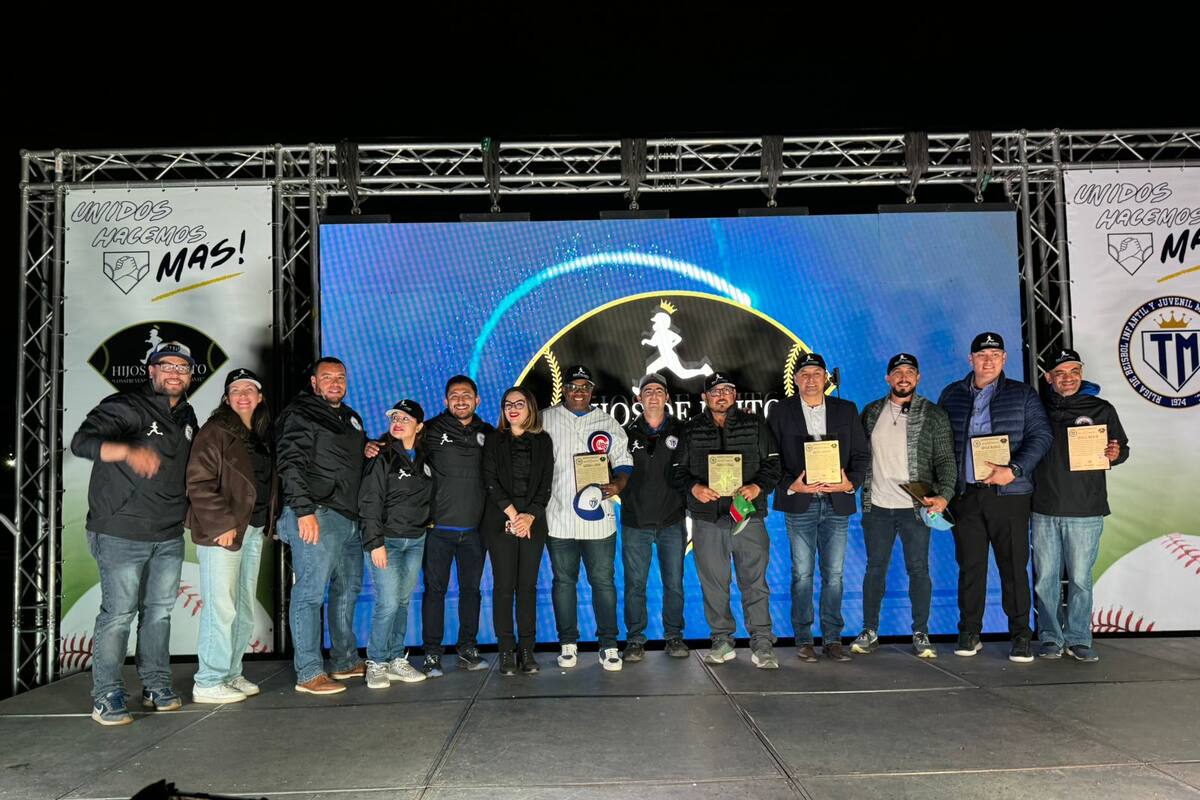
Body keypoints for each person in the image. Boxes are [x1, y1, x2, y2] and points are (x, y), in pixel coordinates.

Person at [71, 341, 199, 725]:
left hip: (168, 532)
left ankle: (155, 684)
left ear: (190, 376)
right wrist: (125, 451)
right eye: (167, 366)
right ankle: (106, 694)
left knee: (158, 614)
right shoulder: (125, 405)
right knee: (119, 614)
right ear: (151, 371)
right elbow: (81, 442)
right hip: (121, 530)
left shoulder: (189, 416)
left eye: (182, 367)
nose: (174, 373)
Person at [938, 332, 1053, 663]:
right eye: (981, 355)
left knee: (1014, 567)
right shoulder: (952, 394)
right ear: (970, 360)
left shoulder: (1023, 394)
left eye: (995, 355)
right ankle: (969, 631)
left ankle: (1020, 636)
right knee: (970, 568)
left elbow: (1042, 436)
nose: (988, 360)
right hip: (967, 495)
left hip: (1009, 495)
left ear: (1004, 360)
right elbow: (943, 446)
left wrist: (1014, 469)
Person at [276, 357, 380, 694]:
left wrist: (365, 448)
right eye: (327, 377)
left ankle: (345, 660)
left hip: (348, 517)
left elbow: (343, 457)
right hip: (317, 514)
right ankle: (308, 673)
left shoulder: (349, 417)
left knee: (346, 590)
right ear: (314, 383)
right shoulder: (300, 413)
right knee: (309, 593)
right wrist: (303, 511)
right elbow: (290, 462)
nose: (335, 383)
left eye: (341, 377)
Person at [850, 354, 956, 659]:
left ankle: (921, 632)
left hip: (916, 509)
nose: (903, 376)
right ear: (888, 378)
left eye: (910, 371)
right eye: (897, 372)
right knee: (875, 570)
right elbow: (857, 457)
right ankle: (869, 631)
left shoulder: (934, 415)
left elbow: (946, 461)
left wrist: (945, 495)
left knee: (919, 570)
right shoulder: (870, 412)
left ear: (918, 378)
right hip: (877, 506)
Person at [673, 371, 782, 669]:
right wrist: (694, 488)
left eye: (727, 390)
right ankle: (722, 640)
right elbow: (677, 471)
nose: (722, 396)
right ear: (705, 397)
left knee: (755, 582)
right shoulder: (691, 428)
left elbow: (774, 465)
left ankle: (762, 643)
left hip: (748, 516)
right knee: (714, 584)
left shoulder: (755, 423)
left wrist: (757, 487)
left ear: (734, 395)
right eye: (715, 391)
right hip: (708, 520)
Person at [768, 352, 870, 663]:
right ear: (795, 380)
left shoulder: (846, 409)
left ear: (826, 378)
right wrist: (790, 484)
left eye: (816, 373)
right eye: (804, 374)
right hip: (799, 502)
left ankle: (833, 638)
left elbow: (861, 457)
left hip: (836, 502)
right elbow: (770, 460)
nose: (811, 379)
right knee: (802, 574)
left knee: (835, 574)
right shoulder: (780, 412)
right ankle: (803, 639)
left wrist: (848, 483)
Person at [187, 368, 278, 704]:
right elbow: (198, 482)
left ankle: (230, 673)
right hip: (223, 532)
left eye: (249, 389)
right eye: (235, 390)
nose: (242, 395)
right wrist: (222, 523)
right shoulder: (215, 431)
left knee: (241, 607)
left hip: (251, 530)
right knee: (221, 606)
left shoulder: (260, 434)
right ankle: (208, 680)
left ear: (259, 397)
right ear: (226, 398)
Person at [1031, 348, 1129, 663]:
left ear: (1081, 374)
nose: (1068, 378)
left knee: (1080, 579)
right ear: (1049, 378)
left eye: (1074, 372)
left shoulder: (1101, 409)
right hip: (1044, 507)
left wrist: (1115, 453)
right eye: (1060, 373)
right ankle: (1049, 637)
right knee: (1045, 577)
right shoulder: (1036, 408)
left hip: (1086, 509)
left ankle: (1078, 638)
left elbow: (1121, 448)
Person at [542, 365, 634, 671]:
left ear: (591, 390)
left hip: (599, 518)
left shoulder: (607, 422)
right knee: (564, 582)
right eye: (573, 386)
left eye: (584, 386)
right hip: (558, 517)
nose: (578, 392)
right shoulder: (545, 419)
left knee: (603, 582)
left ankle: (608, 644)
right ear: (564, 390)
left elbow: (623, 462)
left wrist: (618, 484)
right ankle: (568, 643)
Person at [420, 376, 494, 676]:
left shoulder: (489, 433)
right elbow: (400, 443)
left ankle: (467, 648)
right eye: (454, 395)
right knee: (434, 592)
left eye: (466, 395)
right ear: (444, 401)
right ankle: (432, 654)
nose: (460, 400)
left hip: (474, 532)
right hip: (438, 530)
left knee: (470, 591)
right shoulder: (431, 430)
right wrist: (373, 446)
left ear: (477, 401)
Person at [481, 386, 554, 675]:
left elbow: (546, 484)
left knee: (527, 588)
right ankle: (506, 651)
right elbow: (490, 480)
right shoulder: (492, 440)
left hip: (533, 524)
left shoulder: (543, 441)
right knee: (503, 588)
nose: (513, 408)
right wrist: (513, 515)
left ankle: (526, 650)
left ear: (530, 408)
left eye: (519, 403)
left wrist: (529, 517)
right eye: (508, 404)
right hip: (501, 522)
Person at [359, 400, 432, 688]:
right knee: (388, 602)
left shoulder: (425, 458)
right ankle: (375, 662)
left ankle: (394, 659)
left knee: (402, 602)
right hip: (386, 540)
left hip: (415, 540)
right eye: (395, 417)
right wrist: (374, 542)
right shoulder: (381, 456)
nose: (398, 422)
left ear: (419, 426)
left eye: (406, 418)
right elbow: (370, 501)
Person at [621, 373, 689, 661]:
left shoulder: (683, 430)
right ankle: (635, 639)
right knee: (635, 584)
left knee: (674, 583)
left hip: (672, 521)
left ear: (667, 398)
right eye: (647, 391)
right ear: (639, 398)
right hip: (635, 521)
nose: (653, 396)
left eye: (658, 391)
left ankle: (673, 637)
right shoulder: (623, 432)